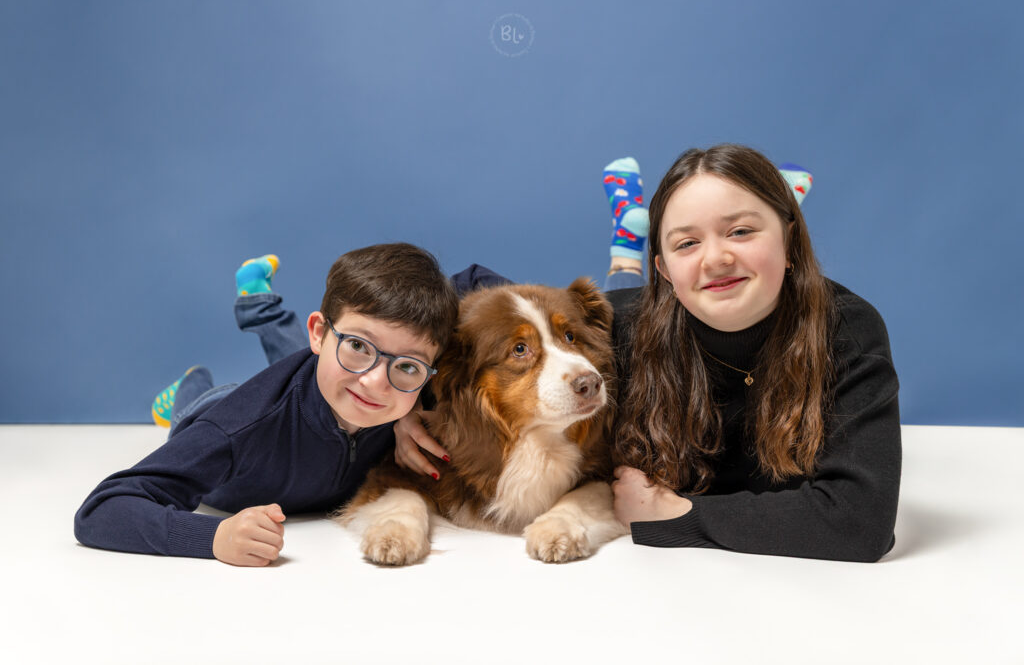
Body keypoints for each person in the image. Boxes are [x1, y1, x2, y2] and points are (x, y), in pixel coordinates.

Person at [396, 146, 900, 563]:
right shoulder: (628, 325)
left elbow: (860, 522)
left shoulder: (848, 332)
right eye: (687, 243)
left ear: (791, 238)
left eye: (741, 231)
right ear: (663, 268)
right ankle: (631, 241)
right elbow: (483, 302)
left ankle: (649, 231)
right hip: (645, 302)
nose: (716, 257)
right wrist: (407, 402)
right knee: (618, 290)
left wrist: (678, 516)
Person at [74, 243, 459, 566]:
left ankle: (258, 300)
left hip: (313, 381)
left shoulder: (402, 389)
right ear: (318, 332)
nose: (375, 383)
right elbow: (101, 510)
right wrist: (214, 537)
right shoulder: (236, 430)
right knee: (208, 404)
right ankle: (189, 386)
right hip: (221, 410)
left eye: (407, 366)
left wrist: (408, 412)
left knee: (316, 366)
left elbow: (474, 278)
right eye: (359, 345)